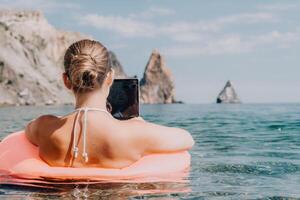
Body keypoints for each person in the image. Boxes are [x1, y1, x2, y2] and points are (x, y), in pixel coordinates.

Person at [25, 39, 194, 168]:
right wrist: (137, 124)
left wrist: (62, 121)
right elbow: (187, 139)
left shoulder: (43, 127)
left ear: (66, 81)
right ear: (110, 78)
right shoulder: (135, 133)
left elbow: (27, 132)